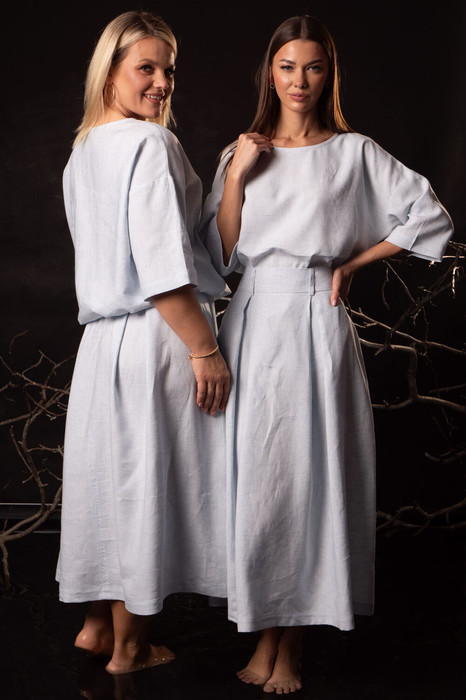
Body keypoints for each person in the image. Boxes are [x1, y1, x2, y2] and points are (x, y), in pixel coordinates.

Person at [200, 14, 453, 694]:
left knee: (310, 475)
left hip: (316, 321)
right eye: (287, 66)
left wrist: (352, 263)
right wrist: (237, 176)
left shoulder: (353, 153)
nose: (300, 80)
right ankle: (264, 630)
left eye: (313, 67)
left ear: (328, 73)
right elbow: (219, 255)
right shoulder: (241, 152)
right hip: (252, 320)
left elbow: (429, 216)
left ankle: (292, 645)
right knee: (260, 479)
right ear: (270, 72)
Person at [56, 11, 230, 675]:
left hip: (101, 345)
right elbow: (162, 271)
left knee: (110, 481)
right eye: (146, 68)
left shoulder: (83, 152)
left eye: (169, 70)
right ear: (110, 73)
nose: (162, 82)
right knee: (146, 487)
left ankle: (97, 626)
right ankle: (131, 647)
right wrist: (204, 350)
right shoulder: (149, 144)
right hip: (159, 334)